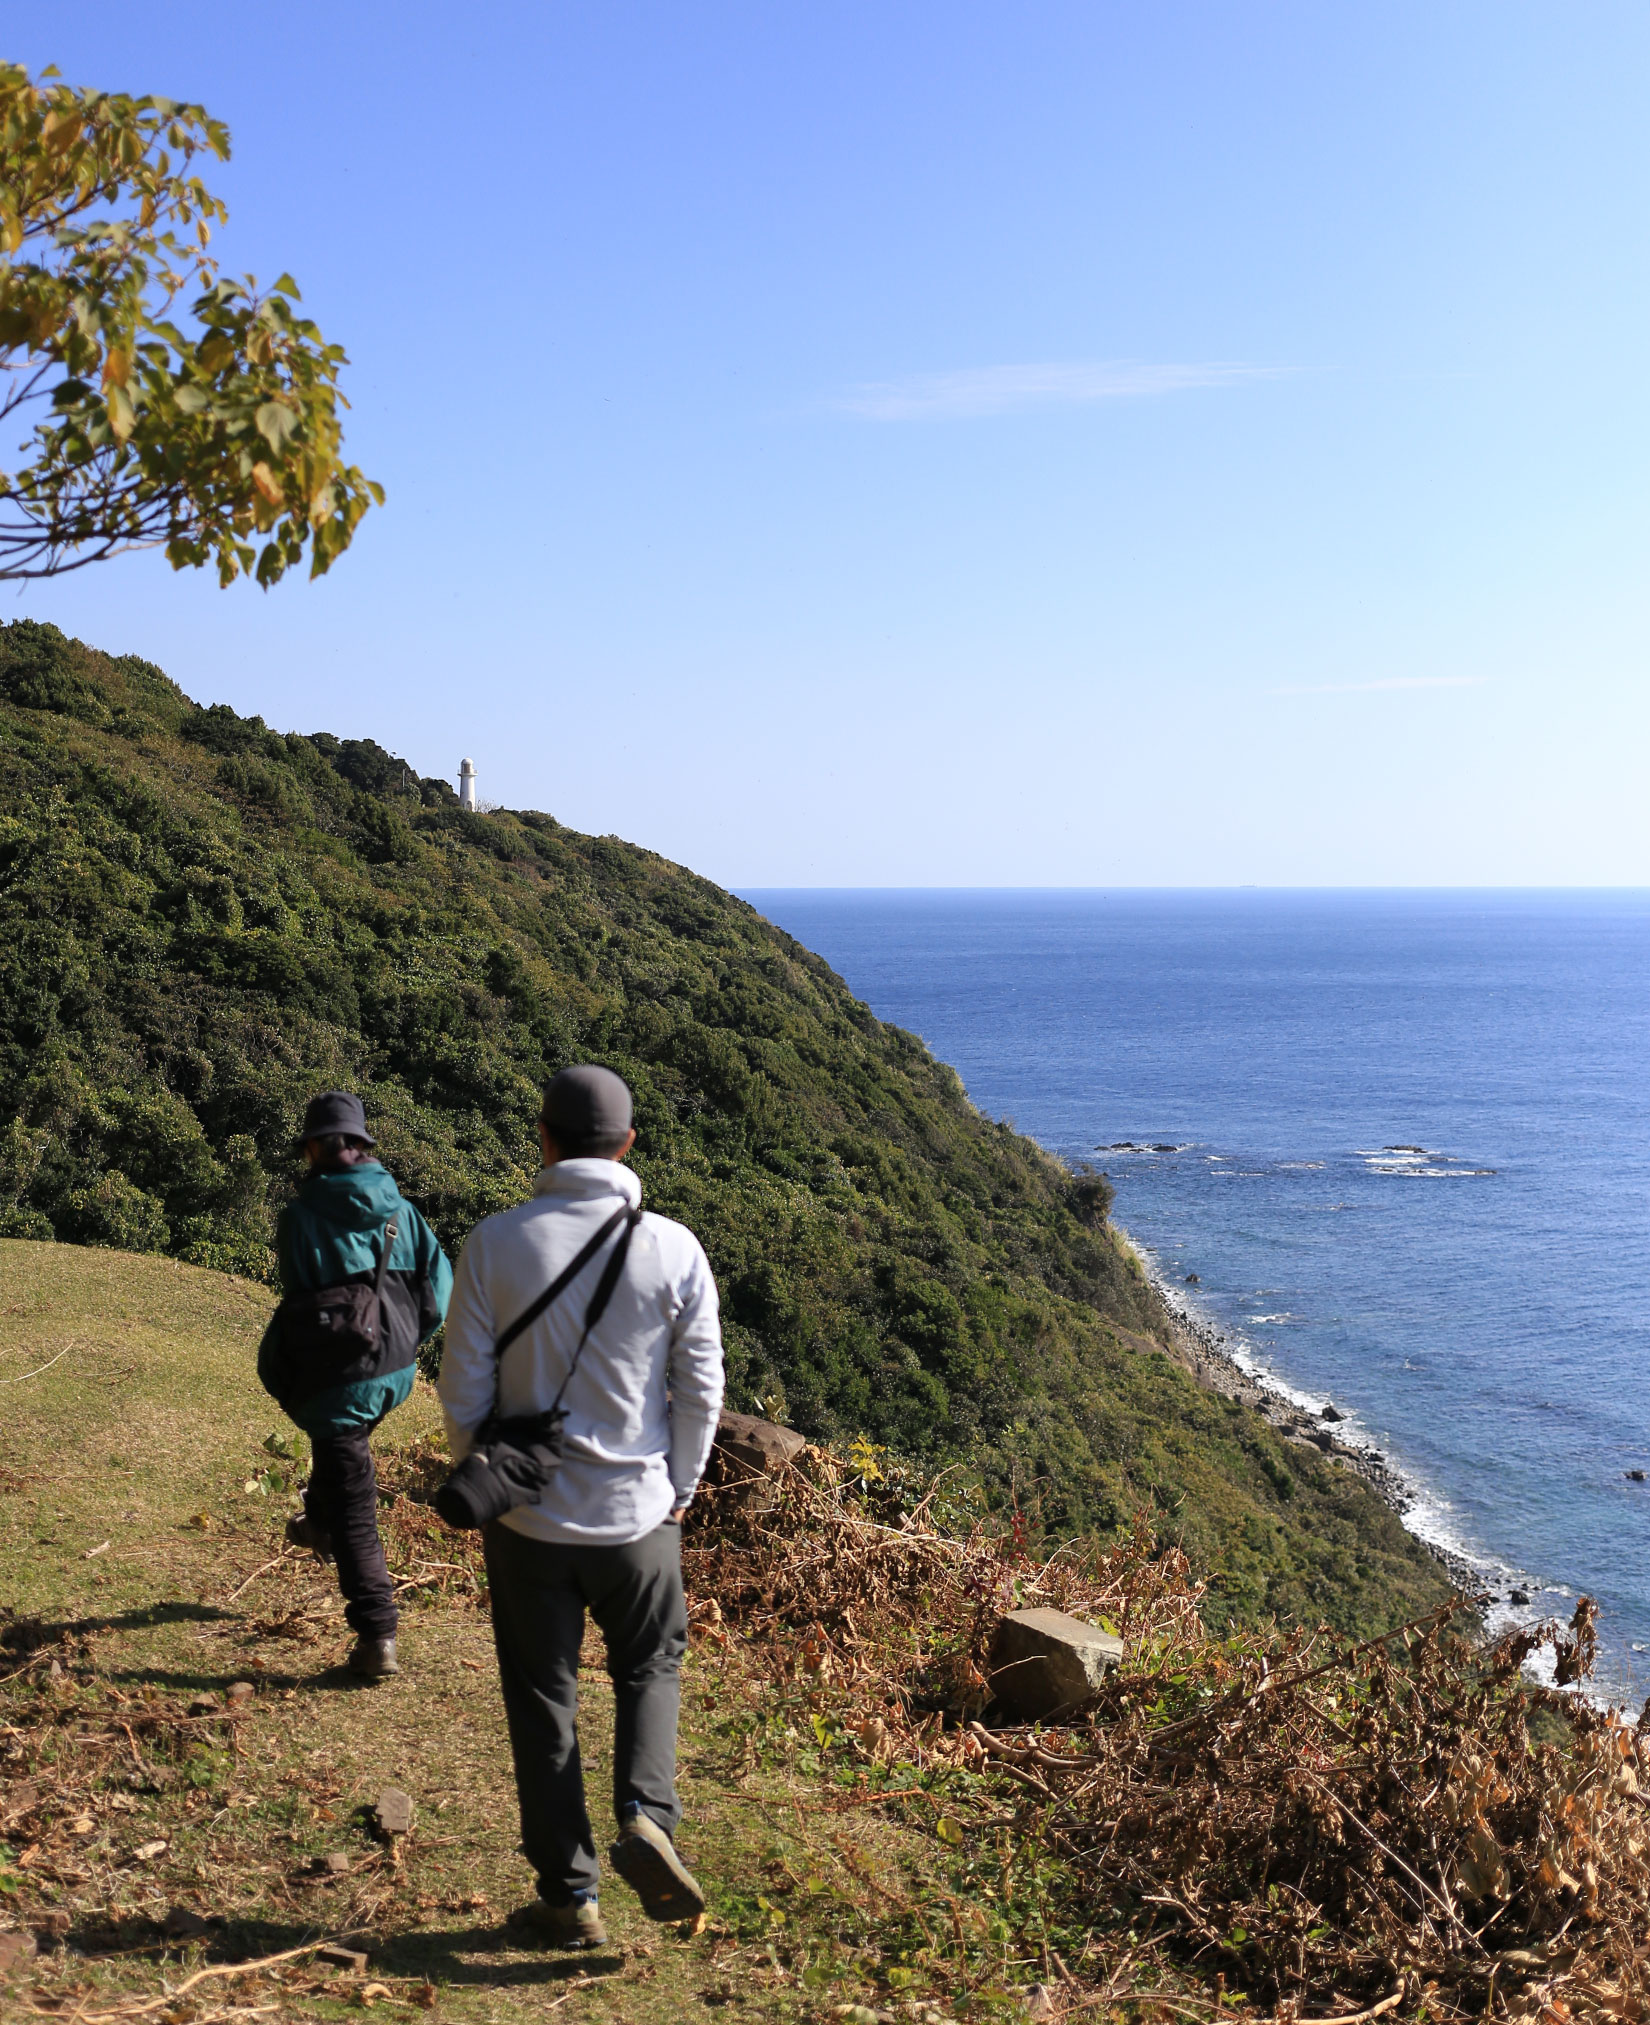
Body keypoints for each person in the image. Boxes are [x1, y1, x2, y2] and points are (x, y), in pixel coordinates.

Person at [438, 1065, 725, 1950]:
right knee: (650, 1664)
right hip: (639, 1514)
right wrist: (677, 1487)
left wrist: (486, 1475)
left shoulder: (495, 1241)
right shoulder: (674, 1247)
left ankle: (569, 1897)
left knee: (541, 1695)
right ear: (629, 1144)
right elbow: (701, 1385)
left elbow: (463, 1386)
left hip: (527, 1521)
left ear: (544, 1137)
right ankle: (647, 1816)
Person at [258, 1091, 453, 1681]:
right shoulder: (404, 1211)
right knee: (341, 1455)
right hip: (393, 1371)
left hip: (335, 1378)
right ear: (363, 1145)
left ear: (316, 1148)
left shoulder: (300, 1217)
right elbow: (438, 1296)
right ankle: (316, 1519)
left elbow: (303, 1302)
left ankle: (377, 1636)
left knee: (357, 1511)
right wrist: (396, 1341)